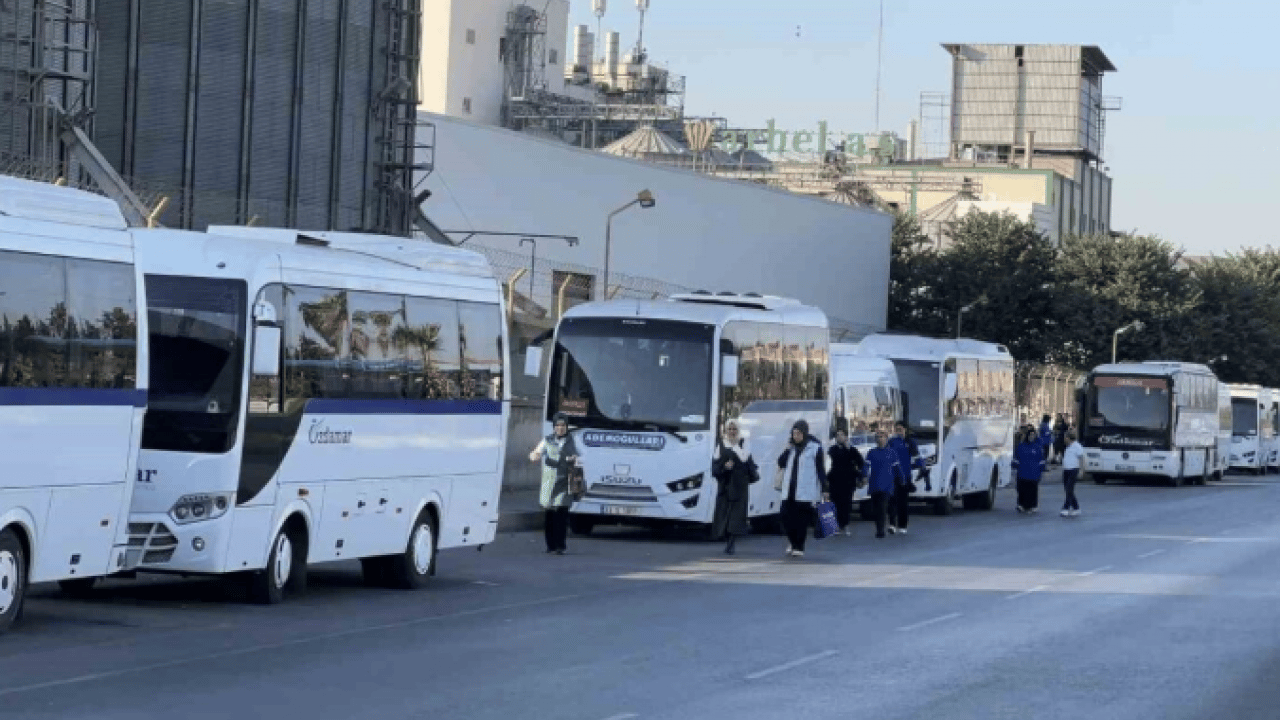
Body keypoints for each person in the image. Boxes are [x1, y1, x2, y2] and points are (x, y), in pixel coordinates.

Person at [775, 419, 829, 558]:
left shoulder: (815, 448)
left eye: (798, 433)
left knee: (801, 521)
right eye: (793, 433)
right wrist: (787, 448)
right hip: (789, 490)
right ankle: (792, 542)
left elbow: (820, 470)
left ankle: (799, 546)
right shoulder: (791, 448)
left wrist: (825, 489)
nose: (796, 436)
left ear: (804, 433)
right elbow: (780, 462)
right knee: (785, 518)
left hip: (805, 491)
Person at [529, 414, 579, 554]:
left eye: (563, 425)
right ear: (554, 427)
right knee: (550, 516)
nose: (560, 428)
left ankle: (560, 546)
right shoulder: (547, 440)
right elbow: (536, 452)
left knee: (561, 514)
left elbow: (577, 458)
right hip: (549, 484)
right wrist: (535, 456)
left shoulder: (572, 440)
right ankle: (550, 545)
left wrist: (575, 466)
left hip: (563, 483)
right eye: (558, 425)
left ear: (567, 427)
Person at [711, 419, 757, 554]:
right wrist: (724, 467)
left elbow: (745, 460)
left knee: (736, 516)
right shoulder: (721, 444)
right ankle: (726, 537)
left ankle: (731, 543)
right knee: (723, 512)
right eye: (729, 429)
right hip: (725, 485)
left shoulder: (743, 443)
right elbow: (714, 465)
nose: (732, 432)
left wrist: (736, 447)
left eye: (734, 429)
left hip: (739, 486)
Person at [863, 429, 905, 538]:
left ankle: (881, 530)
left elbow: (897, 468)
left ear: (886, 439)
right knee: (876, 509)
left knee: (882, 507)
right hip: (874, 484)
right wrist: (863, 476)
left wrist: (902, 480)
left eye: (882, 437)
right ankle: (879, 527)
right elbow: (866, 467)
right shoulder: (872, 452)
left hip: (887, 485)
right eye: (877, 437)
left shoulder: (892, 453)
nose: (879, 439)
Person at [887, 422, 925, 535]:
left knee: (902, 502)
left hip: (905, 476)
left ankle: (902, 525)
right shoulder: (891, 442)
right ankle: (892, 524)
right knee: (891, 501)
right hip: (892, 476)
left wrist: (922, 467)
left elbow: (917, 456)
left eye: (900, 429)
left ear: (905, 430)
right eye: (896, 430)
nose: (898, 432)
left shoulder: (910, 442)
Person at [826, 428, 865, 536]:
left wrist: (860, 476)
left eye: (841, 435)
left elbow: (860, 462)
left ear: (846, 437)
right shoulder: (832, 450)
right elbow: (828, 465)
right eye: (837, 435)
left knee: (846, 504)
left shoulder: (851, 450)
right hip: (834, 481)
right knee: (835, 503)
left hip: (848, 481)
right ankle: (836, 526)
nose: (839, 437)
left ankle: (845, 524)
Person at [1013, 426, 1046, 513]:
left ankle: (1032, 505)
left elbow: (1041, 461)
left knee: (1032, 490)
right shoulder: (1021, 447)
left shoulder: (1037, 447)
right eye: (1030, 435)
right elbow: (1016, 459)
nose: (1032, 437)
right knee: (1022, 489)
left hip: (1034, 474)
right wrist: (1015, 467)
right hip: (1022, 473)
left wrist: (1041, 470)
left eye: (1033, 435)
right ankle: (1021, 505)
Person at [1060, 429, 1084, 517]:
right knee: (1068, 490)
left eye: (1065, 438)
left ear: (1068, 438)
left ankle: (1066, 508)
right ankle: (1076, 507)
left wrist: (1081, 470)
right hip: (1066, 470)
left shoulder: (1077, 446)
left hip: (1073, 470)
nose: (1064, 439)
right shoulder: (1068, 446)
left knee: (1069, 489)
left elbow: (1082, 458)